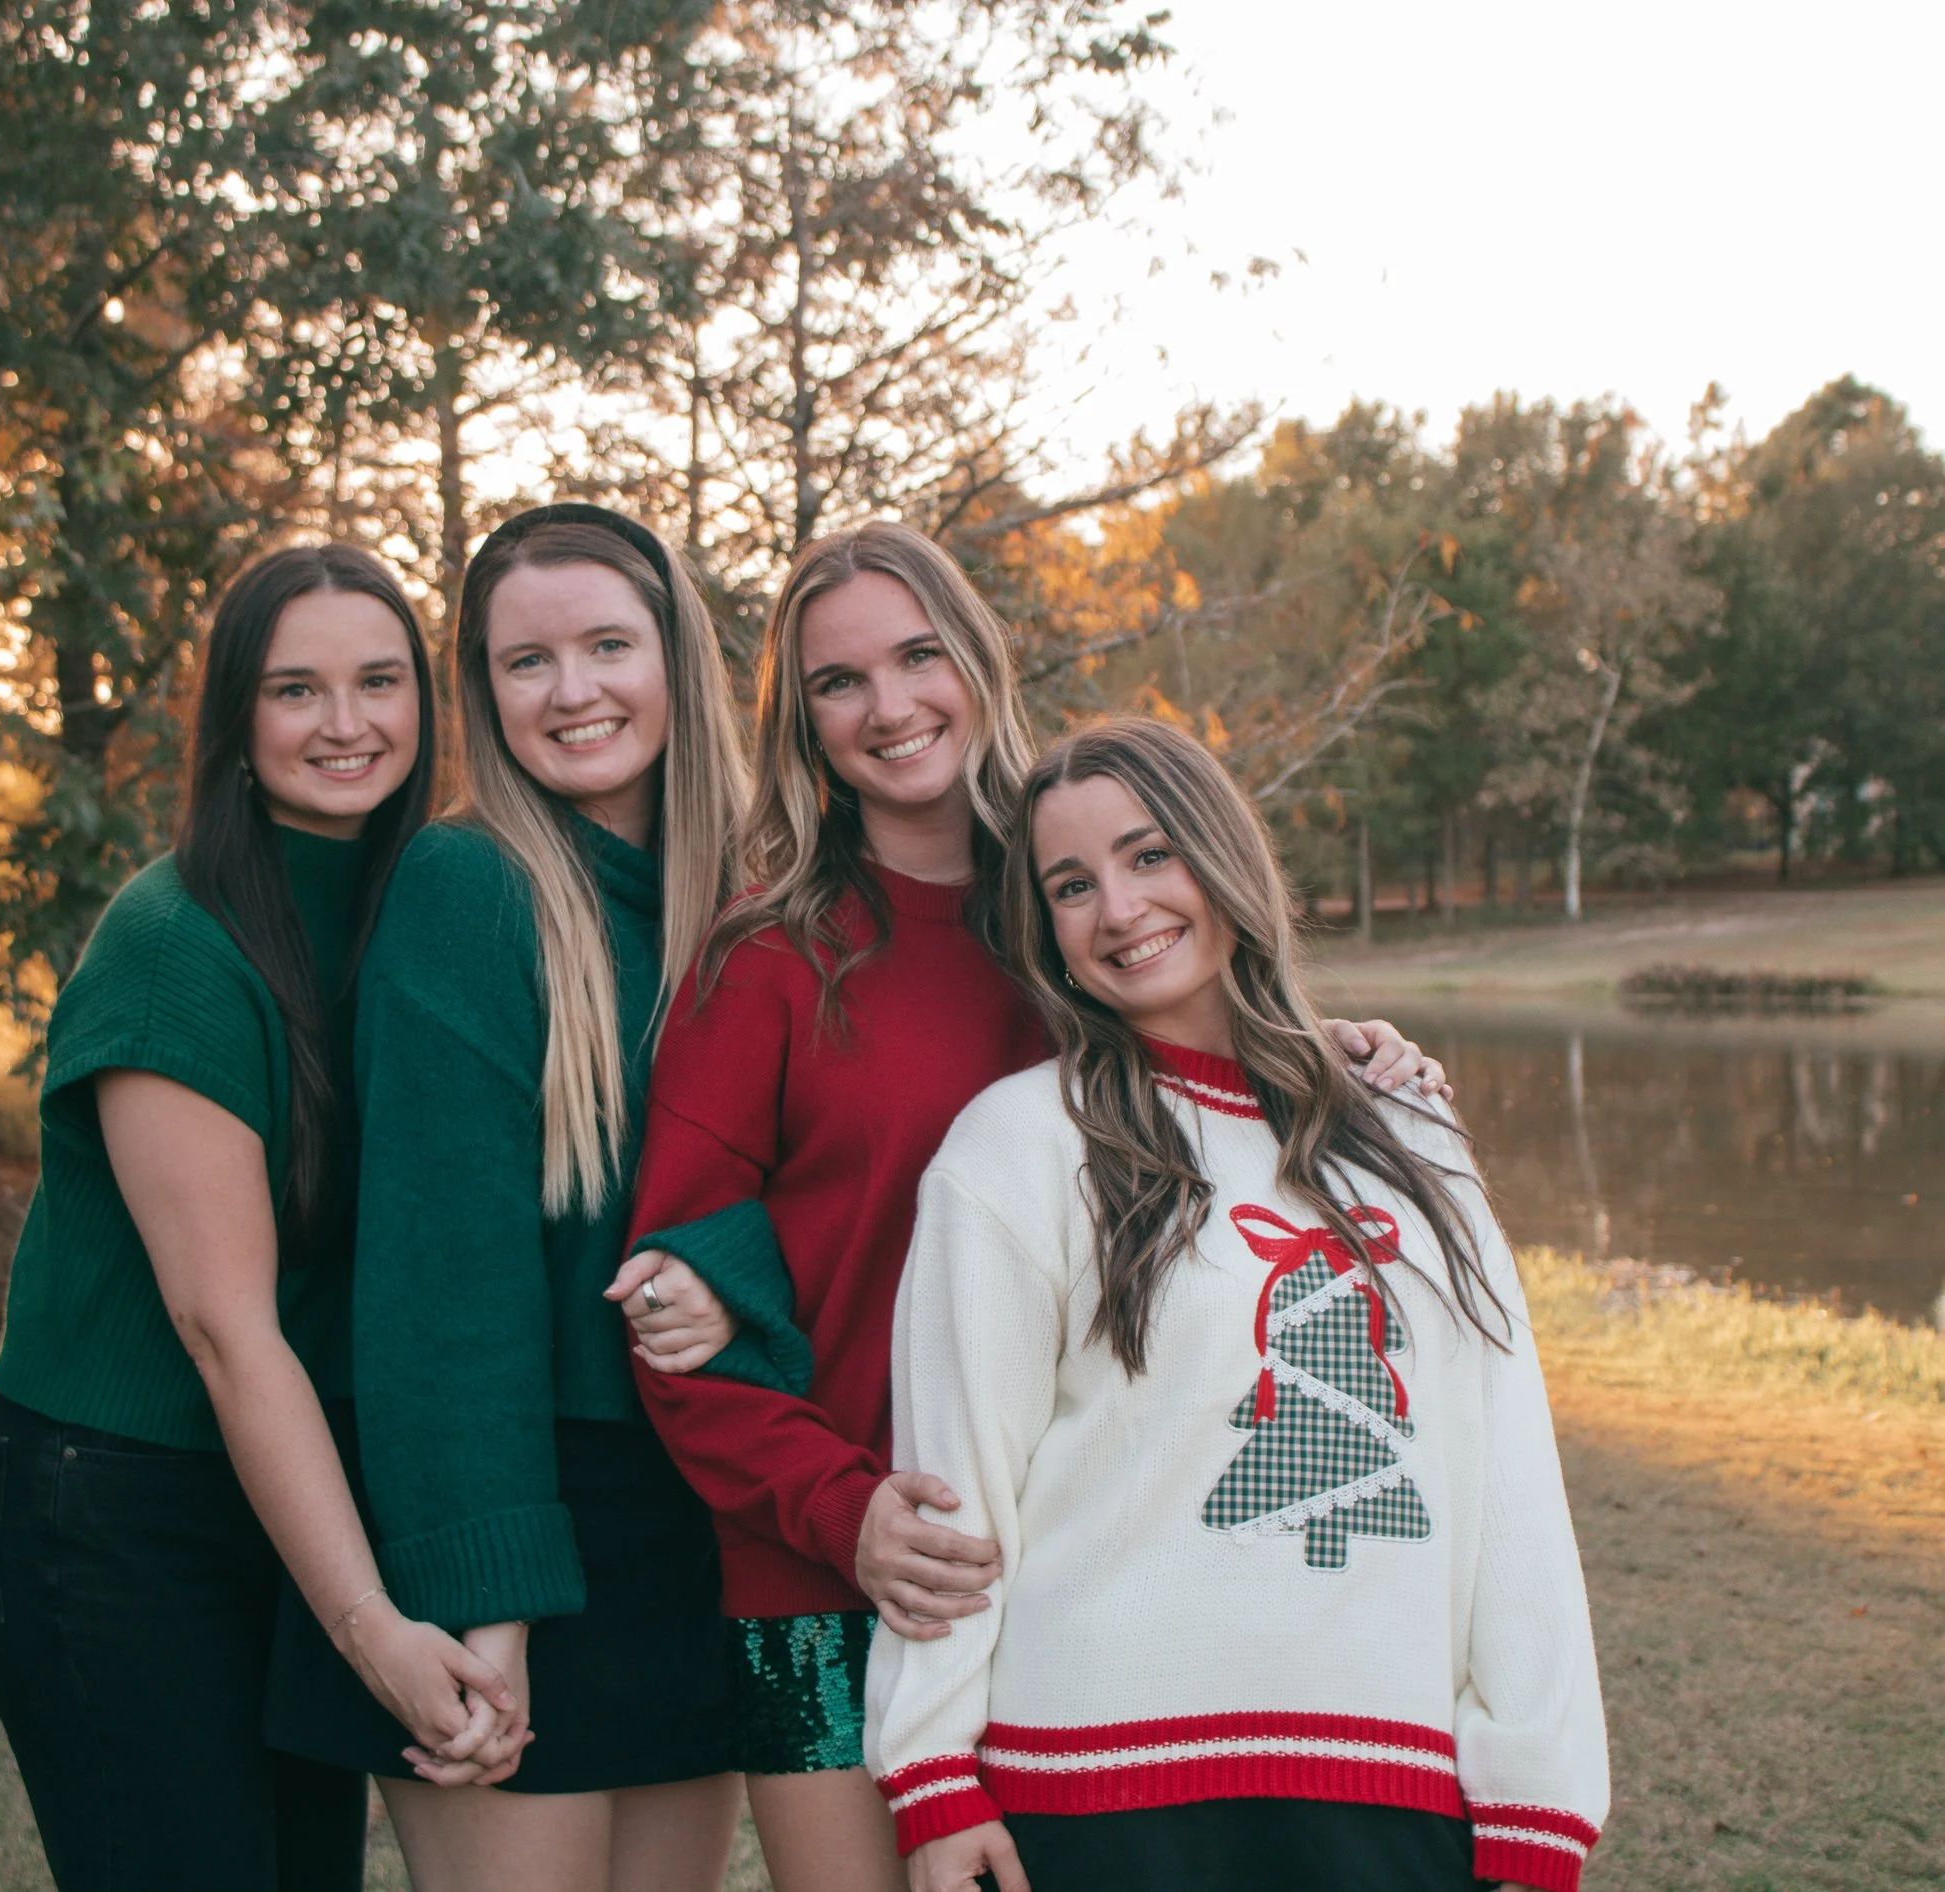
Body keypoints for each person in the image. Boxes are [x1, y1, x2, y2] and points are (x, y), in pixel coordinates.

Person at [607, 524, 1451, 1892]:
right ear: (802, 723)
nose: (889, 708)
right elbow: (674, 1329)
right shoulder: (763, 962)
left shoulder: (1082, 907)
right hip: (821, 1579)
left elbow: (1212, 1069)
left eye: (919, 656)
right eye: (839, 682)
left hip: (1082, 1563)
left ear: (978, 661)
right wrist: (846, 1510)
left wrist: (1334, 1051)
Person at [869, 716, 1607, 1892]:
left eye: (1149, 853)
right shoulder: (1011, 1148)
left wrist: (1536, 1798)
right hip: (1091, 1788)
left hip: (1388, 1783)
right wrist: (932, 1777)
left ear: (1224, 855)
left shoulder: (1407, 1129)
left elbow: (1505, 1471)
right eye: (1071, 884)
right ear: (1044, 930)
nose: (1118, 908)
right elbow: (958, 1496)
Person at [0, 545, 522, 1892]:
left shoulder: (418, 910)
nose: (347, 725)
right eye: (297, 690)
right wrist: (368, 1624)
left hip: (291, 1491)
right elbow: (226, 1333)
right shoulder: (175, 945)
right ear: (236, 721)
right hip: (114, 1517)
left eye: (381, 681)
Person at [264, 505, 750, 1892]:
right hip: (512, 1502)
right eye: (527, 662)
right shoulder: (468, 886)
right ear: (483, 691)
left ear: (677, 659)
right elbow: (441, 1284)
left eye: (608, 645)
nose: (575, 690)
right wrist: (488, 1596)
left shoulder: (744, 895)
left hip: (695, 1504)